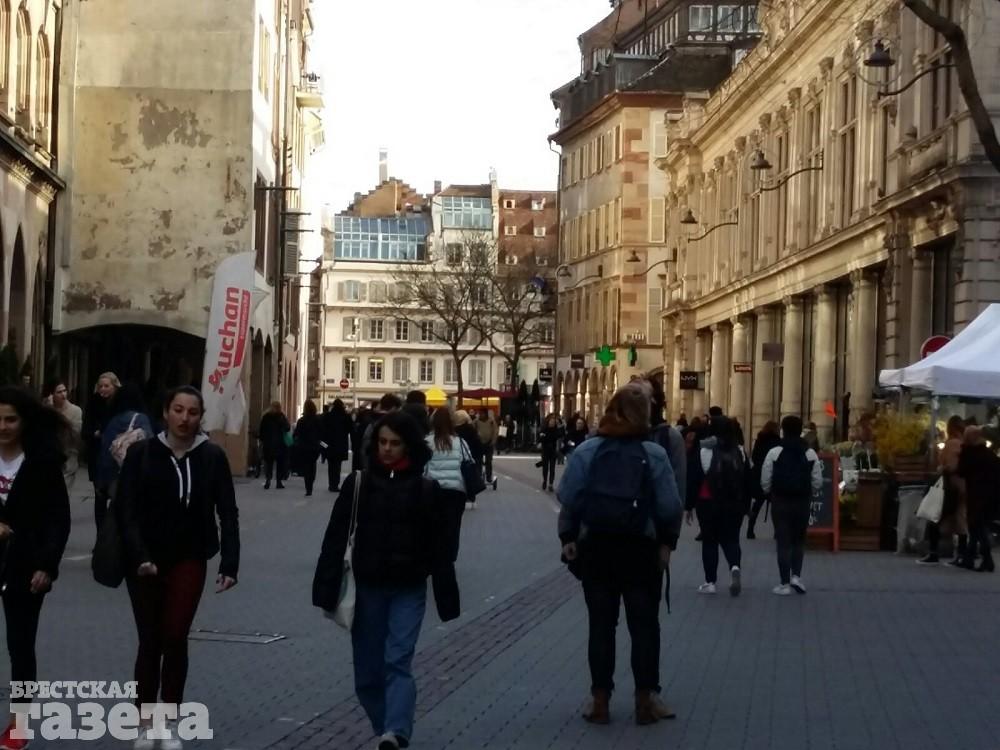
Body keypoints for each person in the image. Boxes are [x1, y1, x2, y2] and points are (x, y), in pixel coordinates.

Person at [312, 412, 459, 750]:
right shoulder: (358, 484)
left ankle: (395, 731)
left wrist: (446, 595)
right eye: (382, 442)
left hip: (408, 589)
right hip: (367, 588)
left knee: (397, 659)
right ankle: (386, 729)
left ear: (408, 445)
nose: (388, 449)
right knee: (366, 674)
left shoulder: (426, 490)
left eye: (395, 443)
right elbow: (335, 538)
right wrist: (325, 587)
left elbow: (441, 548)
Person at [116, 386, 240, 750]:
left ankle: (168, 720)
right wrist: (139, 555)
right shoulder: (142, 453)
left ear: (201, 417)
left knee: (175, 635)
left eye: (192, 412)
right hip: (145, 560)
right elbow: (126, 510)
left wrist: (230, 562)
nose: (185, 418)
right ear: (166, 412)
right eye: (178, 410)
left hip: (190, 557)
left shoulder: (211, 456)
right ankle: (144, 721)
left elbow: (227, 511)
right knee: (149, 640)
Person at [557, 385, 682, 726]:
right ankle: (646, 699)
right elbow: (670, 506)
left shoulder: (588, 450)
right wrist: (667, 542)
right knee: (644, 626)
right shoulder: (653, 454)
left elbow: (567, 496)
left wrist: (568, 536)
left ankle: (600, 700)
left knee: (601, 626)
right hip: (641, 551)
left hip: (597, 548)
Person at [0, 387, 72, 750]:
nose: (3, 427)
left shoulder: (41, 462)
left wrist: (47, 566)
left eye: (10, 419)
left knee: (20, 646)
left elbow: (58, 519)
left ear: (25, 421)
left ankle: (19, 724)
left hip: (24, 566)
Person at [686, 416, 749, 596]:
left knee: (709, 541)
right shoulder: (740, 450)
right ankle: (734, 566)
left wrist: (689, 505)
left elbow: (694, 479)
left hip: (707, 502)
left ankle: (710, 582)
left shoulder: (704, 450)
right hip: (733, 503)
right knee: (732, 539)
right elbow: (747, 479)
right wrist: (745, 505)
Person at [760, 416, 823, 595]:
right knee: (799, 540)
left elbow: (765, 478)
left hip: (780, 500)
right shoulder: (810, 453)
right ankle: (797, 576)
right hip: (802, 501)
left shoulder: (775, 452)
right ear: (800, 430)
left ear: (783, 430)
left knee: (783, 542)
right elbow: (817, 481)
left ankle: (784, 583)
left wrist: (769, 491)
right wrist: (809, 491)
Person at [920, 415, 968, 565]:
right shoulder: (965, 444)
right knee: (960, 520)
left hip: (949, 487)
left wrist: (942, 468)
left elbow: (951, 466)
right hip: (964, 486)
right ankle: (961, 554)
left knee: (935, 517)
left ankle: (933, 553)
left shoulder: (952, 443)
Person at [97, 383, 154, 503]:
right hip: (136, 476)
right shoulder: (142, 419)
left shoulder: (113, 421)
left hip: (115, 477)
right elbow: (150, 446)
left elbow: (105, 453)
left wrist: (102, 482)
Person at [424, 408, 469, 559]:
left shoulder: (427, 442)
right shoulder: (460, 442)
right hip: (456, 492)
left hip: (432, 491)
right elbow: (468, 462)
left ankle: (434, 555)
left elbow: (422, 467)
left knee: (432, 527)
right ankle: (449, 557)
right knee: (453, 527)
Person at [957, 426, 1000, 572]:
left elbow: (961, 471)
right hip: (989, 495)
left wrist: (963, 450)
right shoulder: (989, 454)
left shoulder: (970, 453)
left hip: (975, 494)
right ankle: (969, 557)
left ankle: (987, 559)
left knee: (977, 526)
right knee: (976, 526)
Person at [82, 372, 121, 529]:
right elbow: (86, 429)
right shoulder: (93, 403)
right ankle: (100, 534)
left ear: (115, 386)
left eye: (107, 386)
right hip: (98, 455)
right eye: (100, 386)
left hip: (116, 456)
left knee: (117, 496)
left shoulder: (120, 404)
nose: (103, 389)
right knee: (99, 496)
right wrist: (95, 433)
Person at [747, 421, 782, 540]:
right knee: (776, 506)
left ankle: (750, 529)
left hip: (759, 474)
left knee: (757, 503)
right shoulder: (778, 442)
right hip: (773, 475)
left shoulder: (760, 439)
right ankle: (777, 531)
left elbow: (754, 457)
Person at [47, 381, 83, 492]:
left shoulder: (75, 410)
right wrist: (49, 409)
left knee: (64, 492)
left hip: (68, 455)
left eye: (64, 391)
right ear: (51, 395)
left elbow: (74, 433)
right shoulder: (46, 409)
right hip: (49, 456)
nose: (63, 394)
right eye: (59, 392)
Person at [360, 394, 404, 470]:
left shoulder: (369, 421)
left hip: (372, 467)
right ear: (394, 408)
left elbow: (365, 447)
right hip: (388, 468)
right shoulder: (395, 424)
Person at [321, 399, 353, 492]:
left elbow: (323, 430)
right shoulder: (345, 416)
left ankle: (331, 484)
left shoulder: (328, 416)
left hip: (329, 445)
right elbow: (350, 429)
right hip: (341, 445)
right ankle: (335, 484)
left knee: (331, 465)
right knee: (337, 465)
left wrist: (323, 445)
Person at [294, 400, 324, 497]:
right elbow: (322, 434)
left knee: (306, 466)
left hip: (304, 447)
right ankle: (311, 481)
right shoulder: (318, 420)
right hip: (315, 447)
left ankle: (308, 487)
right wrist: (324, 446)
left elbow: (296, 434)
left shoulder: (301, 421)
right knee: (312, 465)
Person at [454, 410, 483, 510]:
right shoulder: (471, 429)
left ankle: (462, 497)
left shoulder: (454, 430)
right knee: (469, 477)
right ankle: (471, 498)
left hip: (458, 457)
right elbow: (477, 444)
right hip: (471, 457)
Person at [258, 401, 291, 489]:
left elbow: (261, 430)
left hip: (268, 444)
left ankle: (268, 480)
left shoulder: (266, 417)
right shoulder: (281, 416)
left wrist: (262, 440)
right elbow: (287, 428)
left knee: (269, 463)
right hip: (279, 444)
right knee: (279, 463)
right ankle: (278, 482)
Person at [538, 413, 564, 491]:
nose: (552, 423)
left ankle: (551, 484)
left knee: (552, 468)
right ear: (548, 422)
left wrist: (560, 426)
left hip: (553, 451)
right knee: (545, 468)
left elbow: (561, 434)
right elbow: (540, 438)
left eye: (553, 422)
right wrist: (541, 440)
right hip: (545, 451)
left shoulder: (556, 430)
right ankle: (545, 480)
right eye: (551, 422)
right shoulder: (544, 430)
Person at [475, 408, 498, 483]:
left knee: (488, 461)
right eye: (480, 413)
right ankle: (478, 476)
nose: (480, 415)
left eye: (482, 413)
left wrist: (493, 441)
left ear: (486, 414)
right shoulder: (476, 421)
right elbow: (472, 430)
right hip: (479, 444)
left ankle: (489, 477)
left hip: (489, 444)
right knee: (478, 461)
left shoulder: (491, 421)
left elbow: (495, 431)